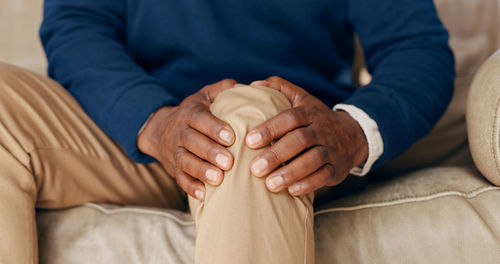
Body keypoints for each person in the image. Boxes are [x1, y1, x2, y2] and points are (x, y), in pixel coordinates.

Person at [0, 0, 454, 263]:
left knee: (248, 129)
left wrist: (351, 132)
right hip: (135, 130)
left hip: (286, 135)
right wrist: (156, 124)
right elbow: (77, 23)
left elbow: (415, 47)